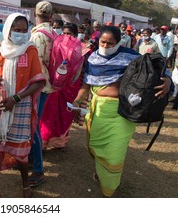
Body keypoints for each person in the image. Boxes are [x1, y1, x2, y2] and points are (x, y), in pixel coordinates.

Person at [72, 25, 170, 197]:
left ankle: (108, 191)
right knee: (95, 146)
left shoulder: (131, 57)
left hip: (122, 113)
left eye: (110, 43)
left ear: (119, 43)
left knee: (114, 154)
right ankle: (101, 172)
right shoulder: (93, 58)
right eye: (103, 42)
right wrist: (77, 101)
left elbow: (156, 66)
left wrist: (168, 81)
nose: (106, 46)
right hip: (98, 111)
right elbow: (85, 86)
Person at [0, 13, 45, 198]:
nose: (21, 34)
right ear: (8, 30)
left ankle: (26, 187)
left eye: (25, 30)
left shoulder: (30, 50)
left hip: (20, 106)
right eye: (17, 30)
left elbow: (38, 82)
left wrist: (15, 98)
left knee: (21, 151)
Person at [40, 23, 82, 149]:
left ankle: (59, 142)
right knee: (48, 114)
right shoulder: (56, 45)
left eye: (69, 34)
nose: (66, 36)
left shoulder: (81, 49)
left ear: (75, 35)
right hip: (54, 86)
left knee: (64, 115)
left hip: (70, 88)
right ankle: (44, 142)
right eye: (64, 33)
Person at [28, 1, 55, 188]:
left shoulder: (37, 35)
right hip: (48, 84)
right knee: (35, 125)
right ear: (51, 16)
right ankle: (31, 159)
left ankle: (38, 169)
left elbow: (34, 64)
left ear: (34, 13)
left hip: (38, 85)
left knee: (34, 127)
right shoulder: (53, 33)